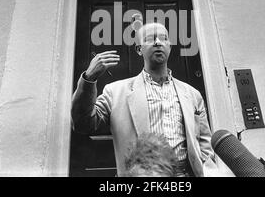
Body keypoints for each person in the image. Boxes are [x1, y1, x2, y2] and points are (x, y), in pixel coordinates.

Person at [72, 22, 217, 177]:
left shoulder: (192, 94)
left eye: (163, 38)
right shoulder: (115, 92)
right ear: (139, 49)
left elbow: (205, 147)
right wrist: (88, 79)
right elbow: (83, 124)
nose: (157, 42)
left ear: (170, 46)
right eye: (150, 38)